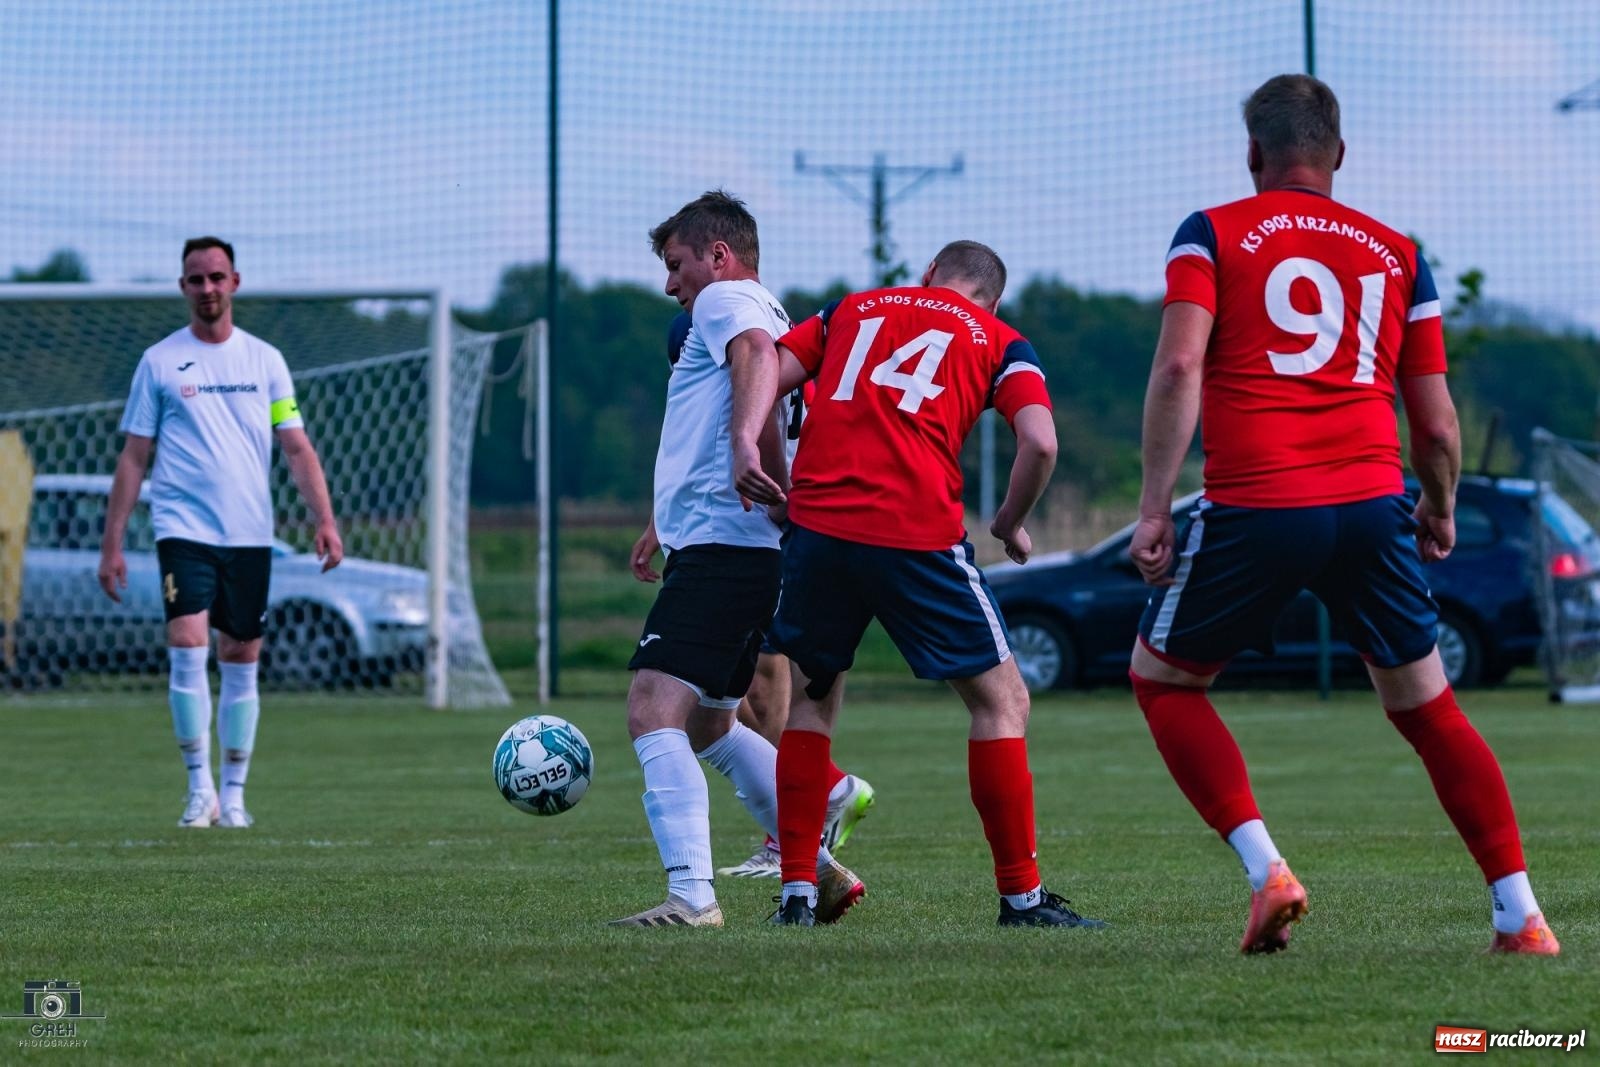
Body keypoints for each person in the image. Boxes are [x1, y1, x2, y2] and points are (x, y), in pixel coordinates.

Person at [1128, 74, 1558, 955]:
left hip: (1259, 501)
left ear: (1254, 154)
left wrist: (1151, 507)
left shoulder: (1210, 231)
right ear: (1340, 155)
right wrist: (1436, 506)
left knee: (1165, 679)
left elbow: (1177, 370)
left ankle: (1269, 872)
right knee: (1429, 706)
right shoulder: (1400, 250)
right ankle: (1522, 915)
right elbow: (1436, 420)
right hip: (1371, 501)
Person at [751, 240, 1105, 929]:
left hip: (819, 527)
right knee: (1003, 702)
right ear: (993, 299)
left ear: (928, 275)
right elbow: (1042, 442)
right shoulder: (1001, 339)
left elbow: (766, 368)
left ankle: (796, 893)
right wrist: (1010, 521)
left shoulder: (849, 309)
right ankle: (1021, 898)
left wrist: (775, 476)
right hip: (914, 531)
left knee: (811, 704)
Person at [613, 190, 863, 928]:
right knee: (712, 726)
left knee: (653, 707)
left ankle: (692, 895)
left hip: (727, 547)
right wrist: (669, 517)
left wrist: (742, 449)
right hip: (740, 543)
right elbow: (753, 388)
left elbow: (752, 364)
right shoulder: (775, 314)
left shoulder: (727, 302)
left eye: (677, 263)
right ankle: (816, 862)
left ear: (718, 256)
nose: (671, 285)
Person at [97, 236, 343, 830]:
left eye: (216, 277)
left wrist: (325, 520)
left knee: (240, 654)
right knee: (187, 644)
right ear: (183, 288)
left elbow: (295, 445)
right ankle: (198, 789)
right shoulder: (159, 362)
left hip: (249, 532)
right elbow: (135, 457)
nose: (206, 288)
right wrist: (112, 543)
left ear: (235, 281)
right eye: (195, 279)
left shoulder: (266, 361)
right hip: (182, 528)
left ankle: (234, 795)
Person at [638, 312, 876, 881]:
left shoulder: (752, 363)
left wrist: (781, 500)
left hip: (759, 542)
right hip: (763, 540)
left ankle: (712, 882)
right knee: (713, 711)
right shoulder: (772, 359)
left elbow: (751, 437)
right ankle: (813, 836)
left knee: (734, 690)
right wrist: (660, 521)